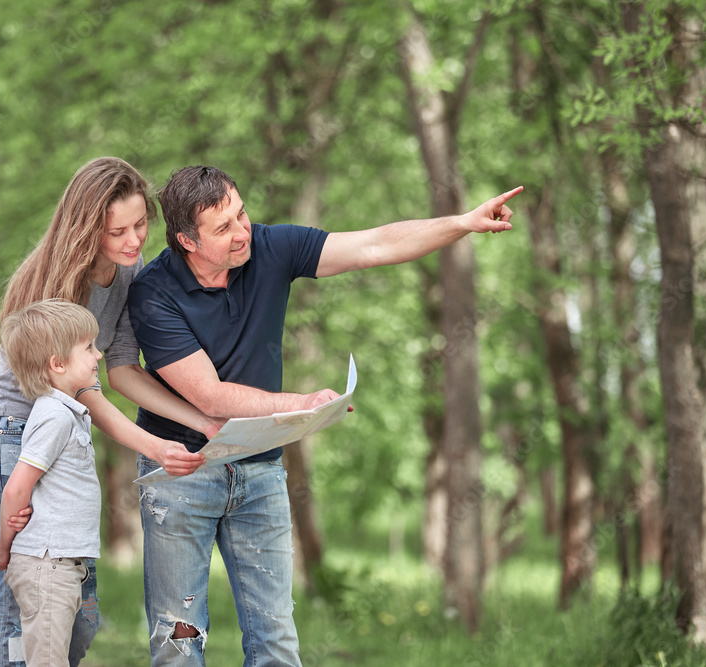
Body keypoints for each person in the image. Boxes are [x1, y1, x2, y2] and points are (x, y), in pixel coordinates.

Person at [127, 165, 522, 665]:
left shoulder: (271, 248)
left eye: (241, 213)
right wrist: (302, 403)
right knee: (179, 644)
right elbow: (209, 396)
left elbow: (374, 245)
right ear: (186, 239)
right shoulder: (153, 290)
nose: (241, 231)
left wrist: (462, 222)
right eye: (222, 228)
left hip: (260, 472)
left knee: (276, 643)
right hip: (182, 472)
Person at [0, 157, 219, 667]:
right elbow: (82, 392)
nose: (134, 241)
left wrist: (202, 423)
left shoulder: (127, 276)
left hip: (63, 431)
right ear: (86, 230)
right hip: (14, 434)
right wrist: (153, 445)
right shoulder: (54, 283)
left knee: (75, 607)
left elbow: (123, 371)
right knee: (22, 596)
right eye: (117, 231)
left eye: (140, 224)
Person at [0, 299, 105, 666]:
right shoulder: (54, 416)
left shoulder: (68, 412)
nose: (98, 355)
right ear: (57, 364)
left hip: (62, 563)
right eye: (88, 348)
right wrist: (4, 546)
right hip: (46, 566)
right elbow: (16, 488)